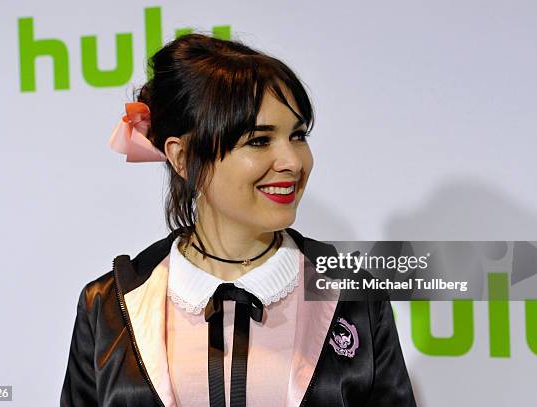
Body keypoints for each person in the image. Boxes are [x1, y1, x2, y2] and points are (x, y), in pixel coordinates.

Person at [60, 33, 416, 407]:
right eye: (259, 141)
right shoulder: (110, 304)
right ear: (183, 159)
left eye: (298, 135)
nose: (293, 162)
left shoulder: (352, 292)